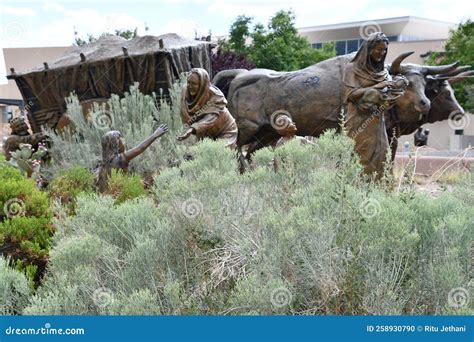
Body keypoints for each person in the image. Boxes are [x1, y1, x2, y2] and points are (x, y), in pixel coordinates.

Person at [343, 32, 407, 178]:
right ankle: (354, 193)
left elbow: (385, 96)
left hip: (377, 123)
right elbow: (350, 95)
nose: (382, 53)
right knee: (358, 157)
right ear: (369, 49)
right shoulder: (352, 68)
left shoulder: (383, 72)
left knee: (381, 156)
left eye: (384, 50)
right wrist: (379, 85)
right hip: (358, 122)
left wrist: (391, 97)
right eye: (378, 49)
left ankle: (376, 193)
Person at [95, 124, 168, 192]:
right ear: (115, 144)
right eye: (119, 140)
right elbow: (140, 148)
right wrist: (155, 135)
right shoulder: (120, 159)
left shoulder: (103, 165)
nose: (122, 142)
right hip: (122, 195)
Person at [177, 68, 238, 148]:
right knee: (201, 154)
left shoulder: (216, 96)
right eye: (189, 82)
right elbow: (185, 114)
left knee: (219, 154)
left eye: (194, 84)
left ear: (202, 84)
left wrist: (193, 128)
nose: (190, 86)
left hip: (225, 130)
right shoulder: (185, 92)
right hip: (206, 132)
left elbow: (210, 119)